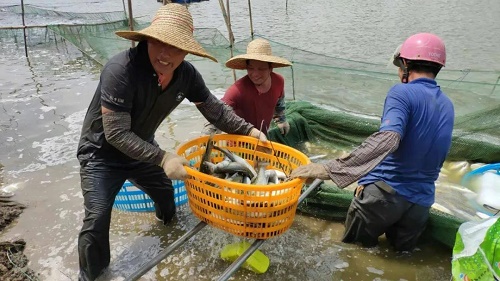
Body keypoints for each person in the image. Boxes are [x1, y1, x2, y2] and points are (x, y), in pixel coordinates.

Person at [76, 4, 267, 280]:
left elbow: (215, 109)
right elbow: (116, 134)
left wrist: (250, 131)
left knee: (166, 197)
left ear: (187, 51)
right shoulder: (121, 70)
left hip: (142, 148)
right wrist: (163, 158)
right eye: (159, 43)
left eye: (175, 47)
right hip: (101, 155)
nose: (165, 55)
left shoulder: (186, 75)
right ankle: (92, 276)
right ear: (147, 40)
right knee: (96, 219)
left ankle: (164, 233)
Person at [290, 33, 455, 252]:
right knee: (401, 258)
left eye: (399, 65)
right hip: (421, 203)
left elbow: (388, 138)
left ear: (406, 65)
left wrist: (328, 168)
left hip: (384, 197)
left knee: (354, 254)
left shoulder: (402, 92)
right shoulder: (447, 104)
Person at [204, 38, 292, 135]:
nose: (255, 74)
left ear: (270, 68)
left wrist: (281, 120)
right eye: (250, 68)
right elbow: (218, 115)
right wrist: (206, 138)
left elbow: (279, 103)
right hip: (239, 141)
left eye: (261, 69)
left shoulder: (279, 81)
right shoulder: (237, 90)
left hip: (263, 136)